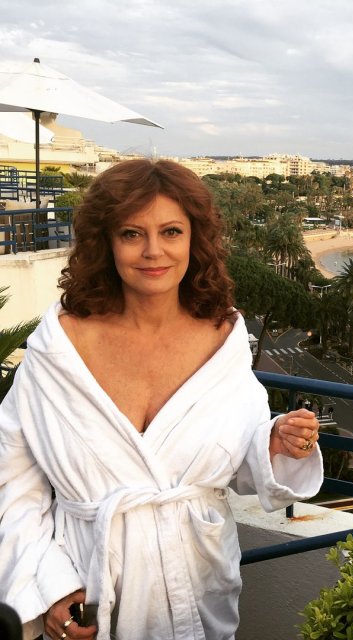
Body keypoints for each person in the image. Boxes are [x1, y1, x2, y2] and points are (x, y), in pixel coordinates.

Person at [0, 159, 323, 640]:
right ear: (106, 242)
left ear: (195, 239)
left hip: (197, 587)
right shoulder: (58, 349)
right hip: (85, 588)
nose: (154, 251)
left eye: (171, 231)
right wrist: (49, 586)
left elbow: (233, 461)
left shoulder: (224, 340)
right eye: (132, 233)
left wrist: (273, 443)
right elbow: (12, 481)